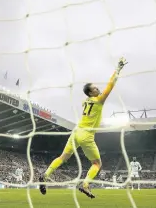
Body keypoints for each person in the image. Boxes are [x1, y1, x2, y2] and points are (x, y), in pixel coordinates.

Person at [39, 57, 128, 199]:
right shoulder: (98, 101)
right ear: (91, 93)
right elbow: (110, 86)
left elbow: (88, 101)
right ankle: (85, 185)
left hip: (76, 131)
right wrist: (117, 69)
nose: (98, 89)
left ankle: (45, 175)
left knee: (62, 157)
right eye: (94, 88)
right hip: (86, 135)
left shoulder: (85, 101)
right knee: (97, 163)